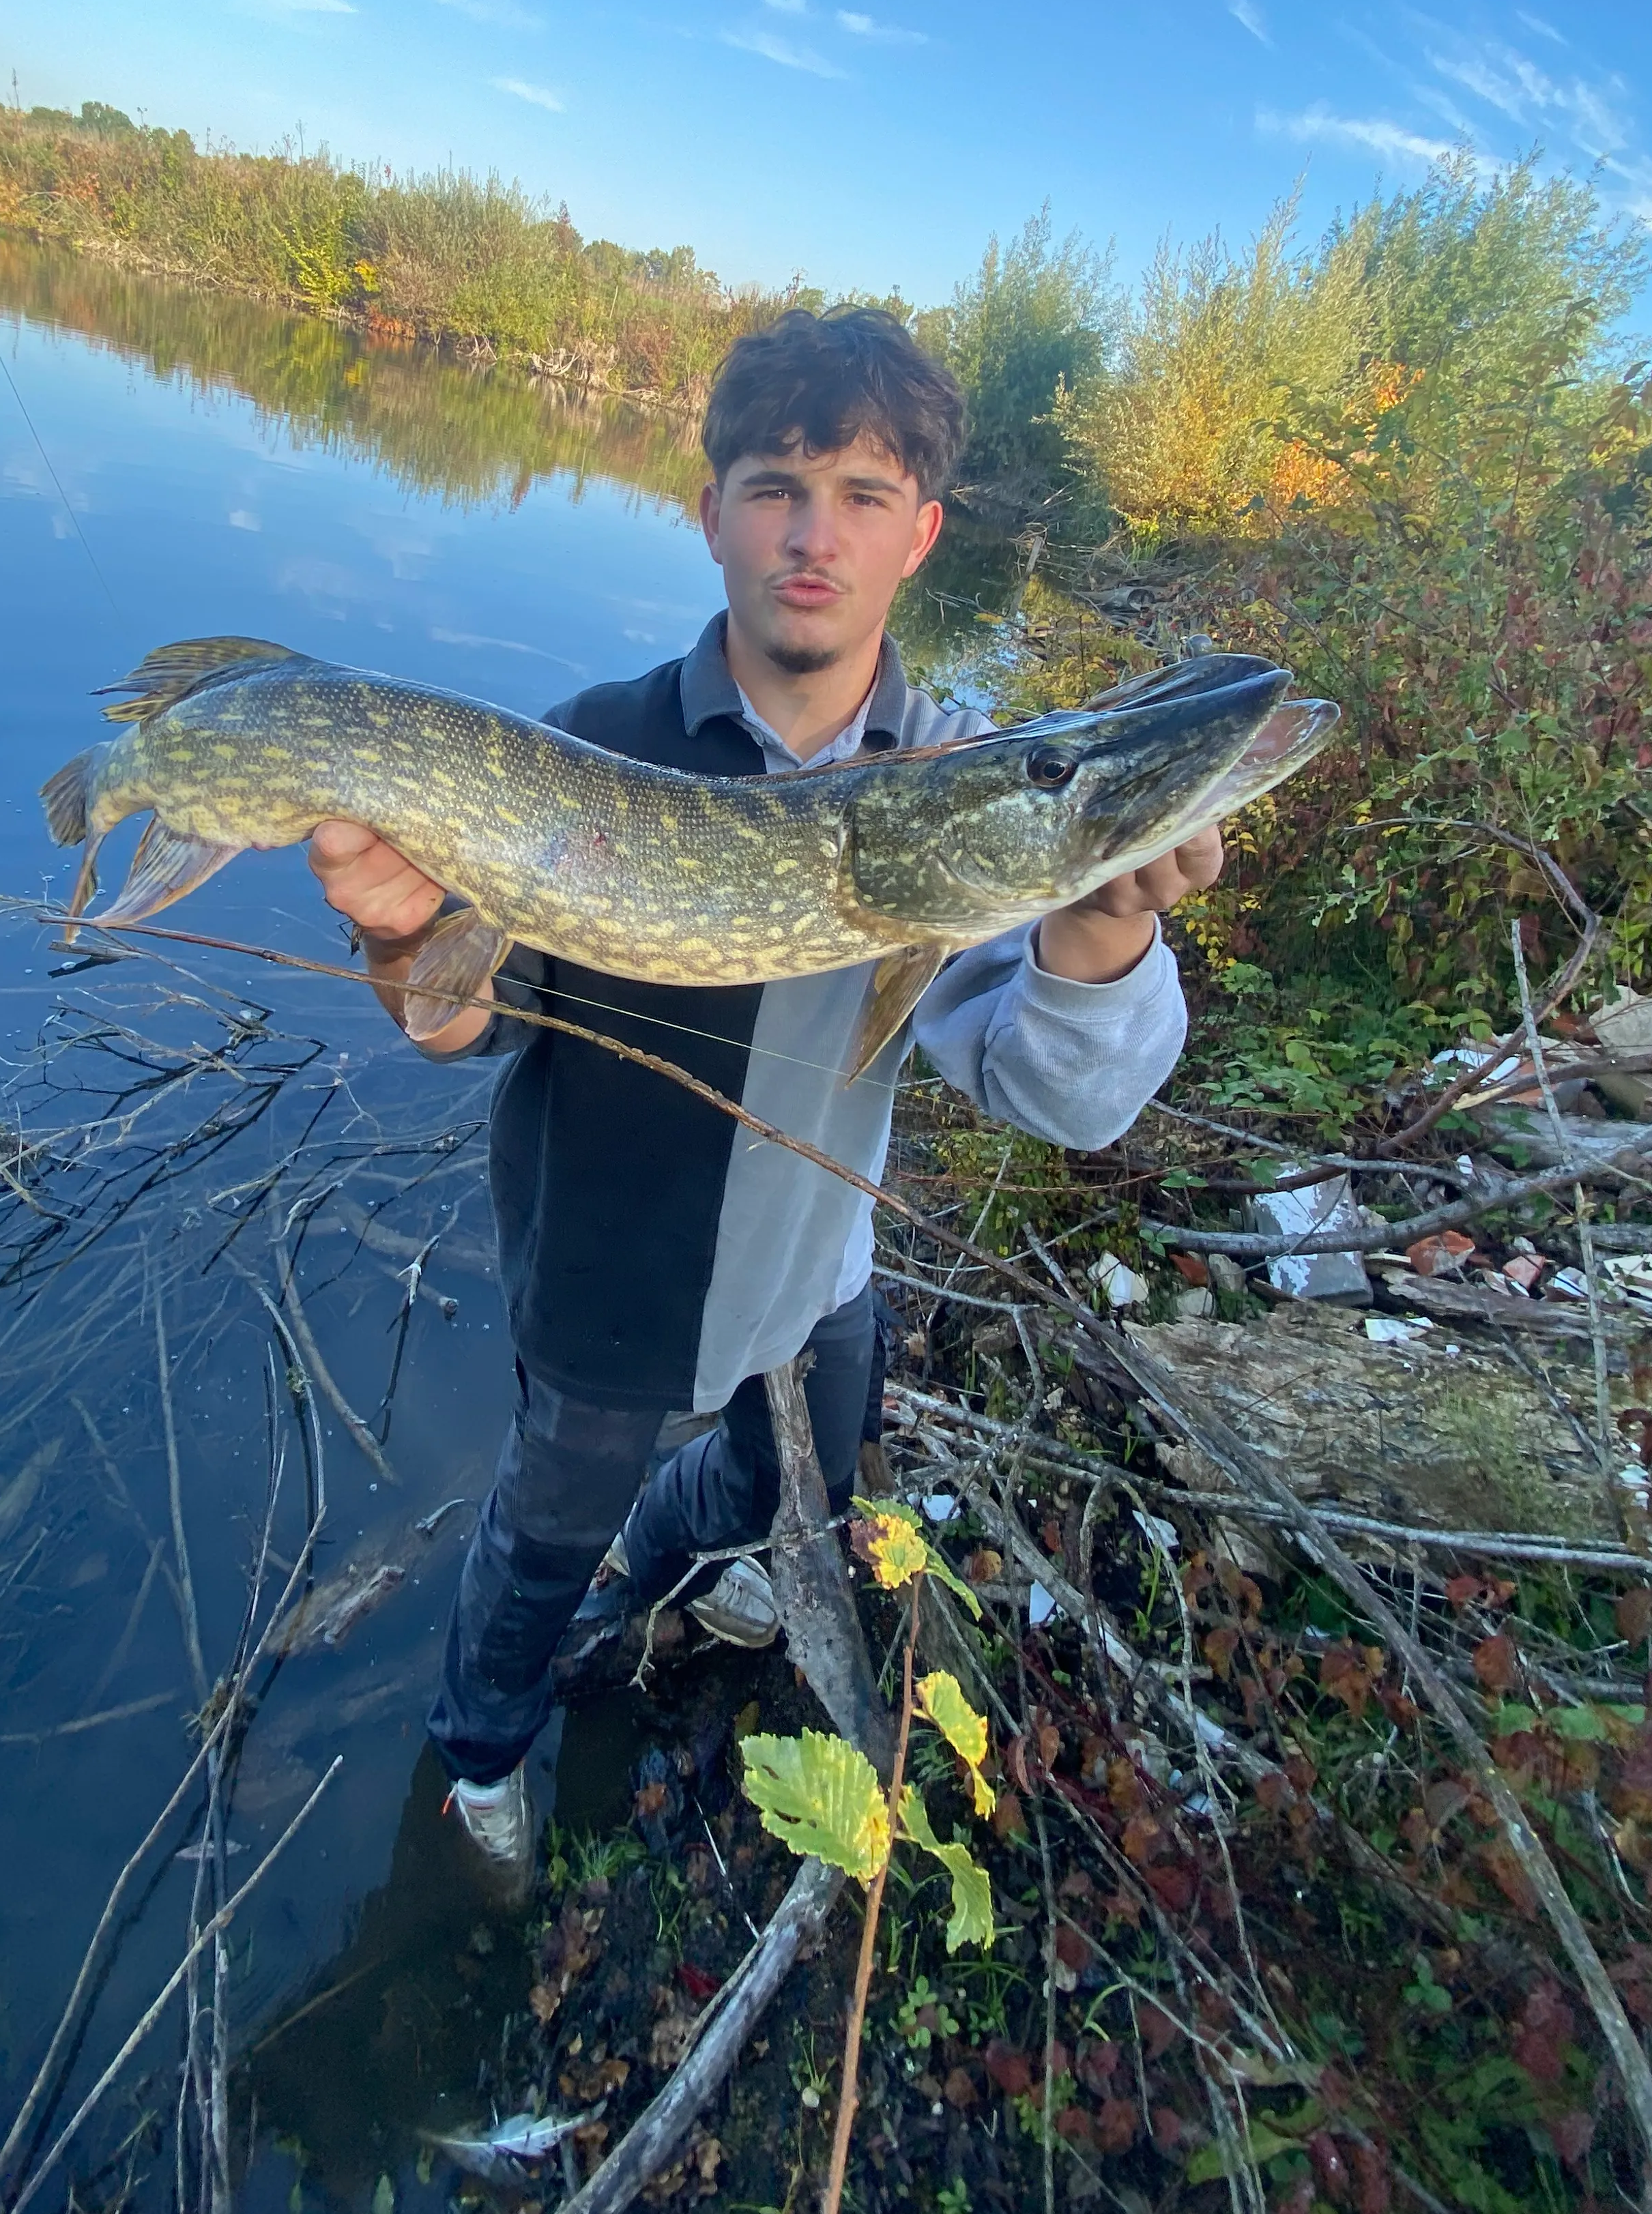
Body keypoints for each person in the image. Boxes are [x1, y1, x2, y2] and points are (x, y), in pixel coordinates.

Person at [306, 307, 1221, 1889]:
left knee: (793, 1469)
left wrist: (1102, 920)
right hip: (606, 1291)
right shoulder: (588, 749)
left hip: (818, 1275)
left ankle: (673, 1565)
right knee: (531, 1565)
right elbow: (474, 1022)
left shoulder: (974, 786)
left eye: (864, 494)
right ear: (711, 511)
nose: (816, 535)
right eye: (777, 485)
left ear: (923, 534)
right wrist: (401, 940)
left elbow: (1053, 1093)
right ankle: (476, 1764)